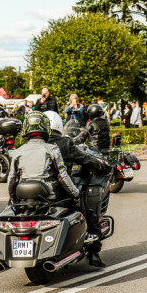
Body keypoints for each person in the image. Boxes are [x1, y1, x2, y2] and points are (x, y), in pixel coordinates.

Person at [44, 111, 112, 267]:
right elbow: (85, 159)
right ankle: (94, 250)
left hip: (39, 193)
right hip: (61, 191)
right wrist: (102, 166)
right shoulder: (64, 143)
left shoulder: (34, 144)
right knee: (89, 212)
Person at [8, 111, 79, 203]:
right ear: (46, 127)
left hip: (23, 195)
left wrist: (12, 197)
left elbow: (12, 178)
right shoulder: (53, 150)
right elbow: (62, 175)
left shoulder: (18, 152)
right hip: (49, 195)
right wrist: (76, 194)